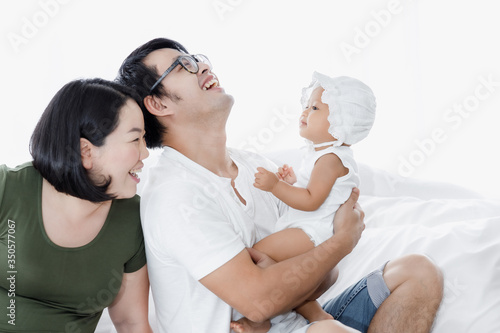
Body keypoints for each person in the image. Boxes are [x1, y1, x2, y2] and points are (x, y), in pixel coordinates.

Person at [116, 37, 444, 333]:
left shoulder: (257, 169)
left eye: (196, 57)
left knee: (418, 272)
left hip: (297, 322)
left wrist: (301, 272)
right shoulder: (176, 195)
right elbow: (259, 303)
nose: (201, 65)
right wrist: (343, 241)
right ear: (158, 105)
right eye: (181, 65)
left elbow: (325, 274)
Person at [0, 78, 152, 332]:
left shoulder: (133, 219)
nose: (145, 153)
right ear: (86, 151)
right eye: (135, 139)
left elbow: (131, 323)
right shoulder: (8, 190)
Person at [232, 73, 376, 332]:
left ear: (341, 123)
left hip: (313, 232)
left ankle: (268, 318)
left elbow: (311, 201)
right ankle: (302, 315)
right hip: (313, 228)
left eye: (315, 107)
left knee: (256, 257)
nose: (305, 111)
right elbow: (317, 192)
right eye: (307, 105)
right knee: (285, 274)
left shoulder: (330, 159)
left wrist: (276, 187)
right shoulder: (324, 156)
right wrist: (292, 182)